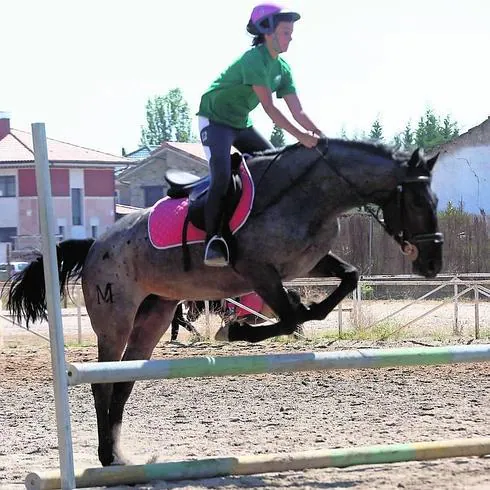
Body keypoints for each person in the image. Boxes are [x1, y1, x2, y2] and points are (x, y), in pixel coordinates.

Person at [197, 3, 323, 267]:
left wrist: (321, 136)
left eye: (291, 32)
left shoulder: (283, 69)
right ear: (268, 32)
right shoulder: (254, 59)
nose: (291, 37)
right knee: (221, 175)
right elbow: (269, 108)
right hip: (215, 121)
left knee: (273, 169)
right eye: (286, 32)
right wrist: (301, 137)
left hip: (240, 123)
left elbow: (298, 111)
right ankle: (212, 240)